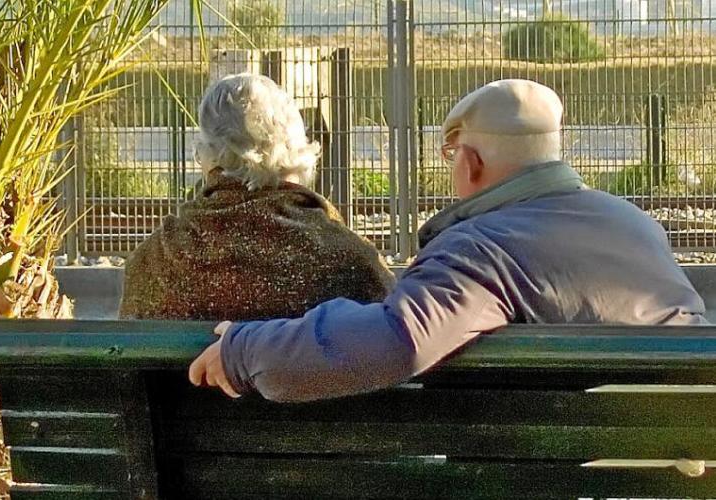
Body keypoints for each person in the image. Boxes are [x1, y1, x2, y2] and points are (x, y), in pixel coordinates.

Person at [189, 79, 707, 402]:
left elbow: (400, 339)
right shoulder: (637, 224)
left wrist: (245, 349)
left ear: (471, 161)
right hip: (669, 457)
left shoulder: (483, 248)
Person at [120, 74, 394, 321]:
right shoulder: (349, 258)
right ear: (298, 152)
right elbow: (394, 335)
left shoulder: (154, 260)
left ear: (206, 154)